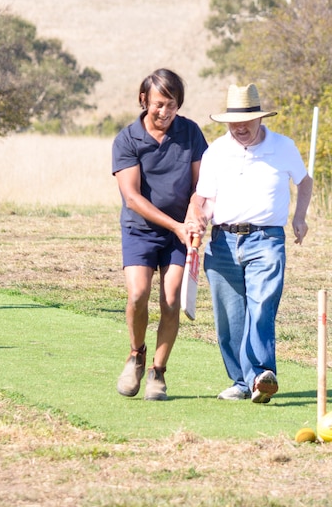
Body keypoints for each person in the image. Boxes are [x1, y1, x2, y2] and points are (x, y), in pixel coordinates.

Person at [188, 83, 313, 404]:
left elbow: (304, 180)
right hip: (222, 242)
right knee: (229, 319)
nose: (240, 128)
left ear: (260, 119)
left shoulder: (284, 146)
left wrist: (300, 216)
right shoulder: (216, 150)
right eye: (234, 122)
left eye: (247, 121)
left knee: (261, 308)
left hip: (267, 240)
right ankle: (242, 382)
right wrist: (197, 218)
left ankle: (261, 375)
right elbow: (202, 197)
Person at [112, 68, 207, 401]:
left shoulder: (191, 133)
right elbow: (133, 198)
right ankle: (136, 355)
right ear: (143, 101)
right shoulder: (127, 139)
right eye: (159, 104)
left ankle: (157, 372)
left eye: (172, 105)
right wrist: (177, 224)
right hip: (141, 231)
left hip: (181, 236)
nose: (165, 112)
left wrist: (195, 211)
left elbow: (202, 185)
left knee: (170, 301)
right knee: (138, 295)